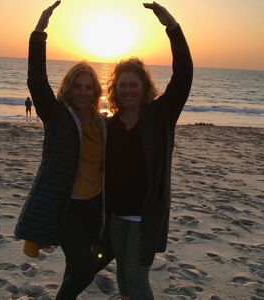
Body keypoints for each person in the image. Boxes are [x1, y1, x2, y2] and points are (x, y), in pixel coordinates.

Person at [14, 1, 107, 299]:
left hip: (96, 207)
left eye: (88, 87)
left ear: (95, 91)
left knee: (75, 267)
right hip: (68, 210)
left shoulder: (102, 124)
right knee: (83, 270)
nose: (83, 92)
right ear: (68, 88)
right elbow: (36, 81)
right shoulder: (57, 117)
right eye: (77, 86)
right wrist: (39, 32)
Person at [105, 2, 193, 299]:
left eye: (133, 84)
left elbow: (183, 77)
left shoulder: (159, 116)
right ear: (114, 89)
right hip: (116, 215)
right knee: (122, 276)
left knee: (135, 274)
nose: (127, 90)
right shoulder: (111, 124)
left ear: (144, 87)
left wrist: (173, 28)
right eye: (122, 85)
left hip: (146, 215)